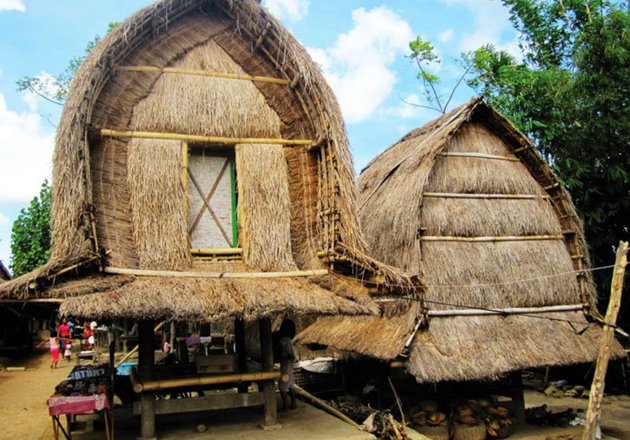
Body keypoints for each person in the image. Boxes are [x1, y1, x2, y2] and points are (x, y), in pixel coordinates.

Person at [276, 320, 298, 410]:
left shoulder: (284, 341)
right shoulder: (289, 341)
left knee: (283, 386)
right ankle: (293, 403)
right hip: (289, 365)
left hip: (285, 365)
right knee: (291, 385)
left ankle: (286, 405)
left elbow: (289, 355)